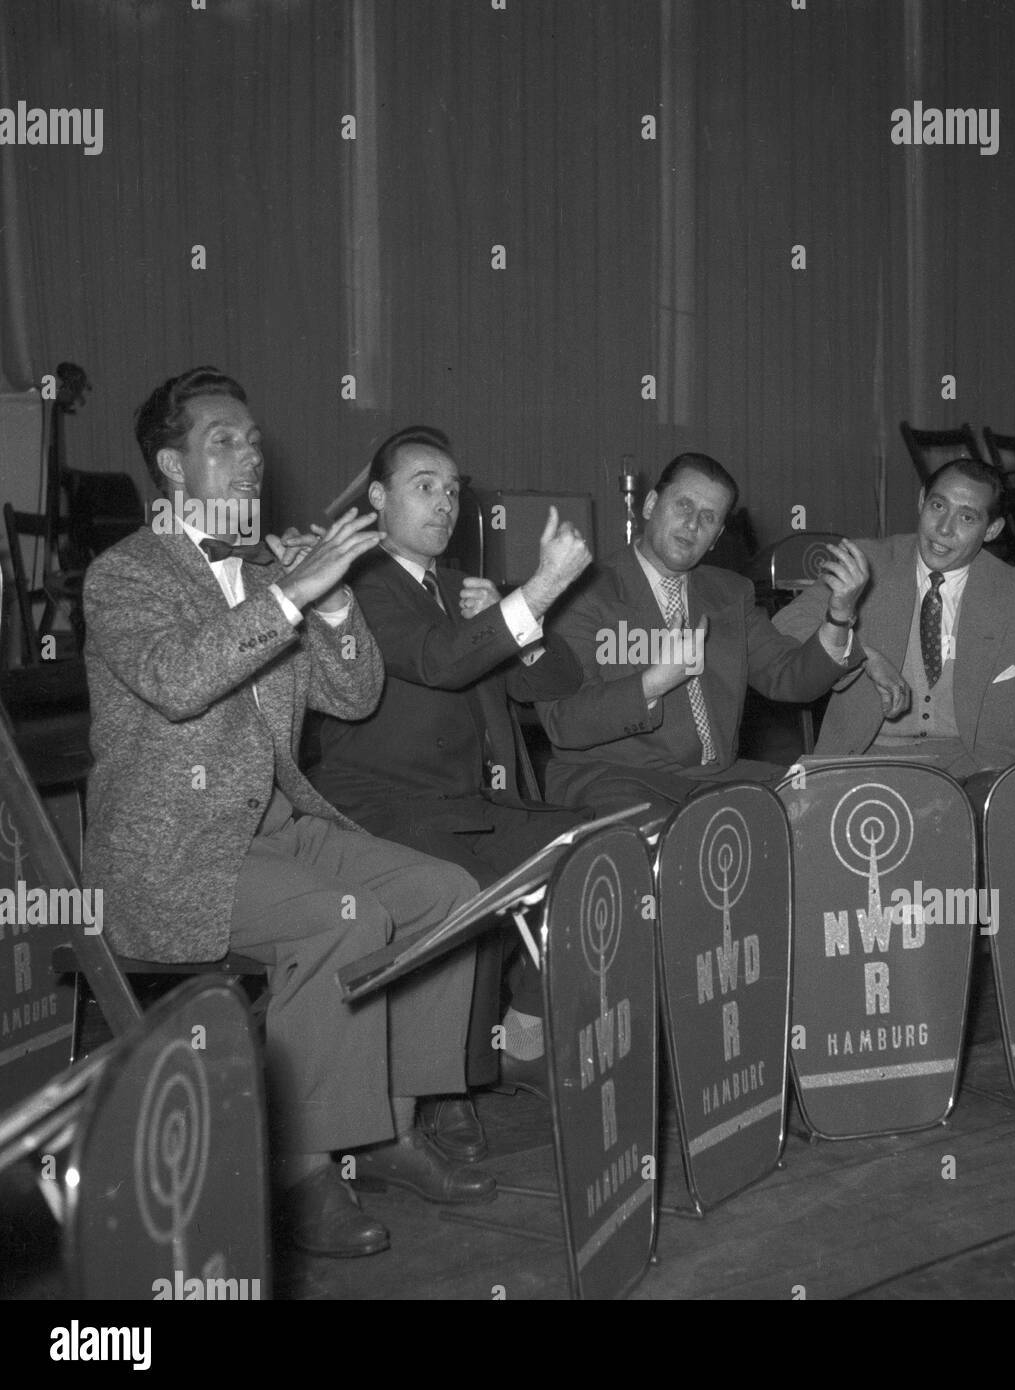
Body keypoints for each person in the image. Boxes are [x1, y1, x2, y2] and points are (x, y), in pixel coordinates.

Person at [81, 367, 494, 1261]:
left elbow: (352, 695)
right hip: (173, 855)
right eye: (222, 441)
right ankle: (306, 1173)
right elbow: (180, 681)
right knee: (343, 921)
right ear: (171, 466)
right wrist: (292, 594)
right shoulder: (126, 575)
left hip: (271, 827)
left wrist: (337, 601)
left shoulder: (274, 565)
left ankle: (389, 1130)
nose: (249, 457)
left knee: (447, 894)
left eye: (254, 442)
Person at [308, 426, 591, 1130]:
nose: (445, 503)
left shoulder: (454, 587)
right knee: (468, 888)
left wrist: (517, 617)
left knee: (595, 844)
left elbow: (557, 681)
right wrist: (534, 592)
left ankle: (522, 1032)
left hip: (468, 801)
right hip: (382, 809)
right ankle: (443, 1087)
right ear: (377, 498)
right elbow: (439, 661)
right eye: (424, 487)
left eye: (453, 491)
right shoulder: (355, 582)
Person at [537, 452, 868, 816]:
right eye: (683, 505)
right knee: (673, 844)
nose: (693, 524)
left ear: (717, 537)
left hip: (716, 780)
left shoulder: (731, 594)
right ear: (649, 505)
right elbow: (563, 722)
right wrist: (652, 683)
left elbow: (789, 678)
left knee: (829, 806)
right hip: (614, 780)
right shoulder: (582, 593)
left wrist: (839, 615)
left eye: (709, 517)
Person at [773, 457, 1015, 776]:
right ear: (921, 501)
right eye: (938, 506)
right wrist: (862, 655)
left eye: (967, 517)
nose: (944, 529)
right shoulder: (866, 561)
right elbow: (782, 634)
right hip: (866, 764)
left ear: (992, 529)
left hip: (979, 772)